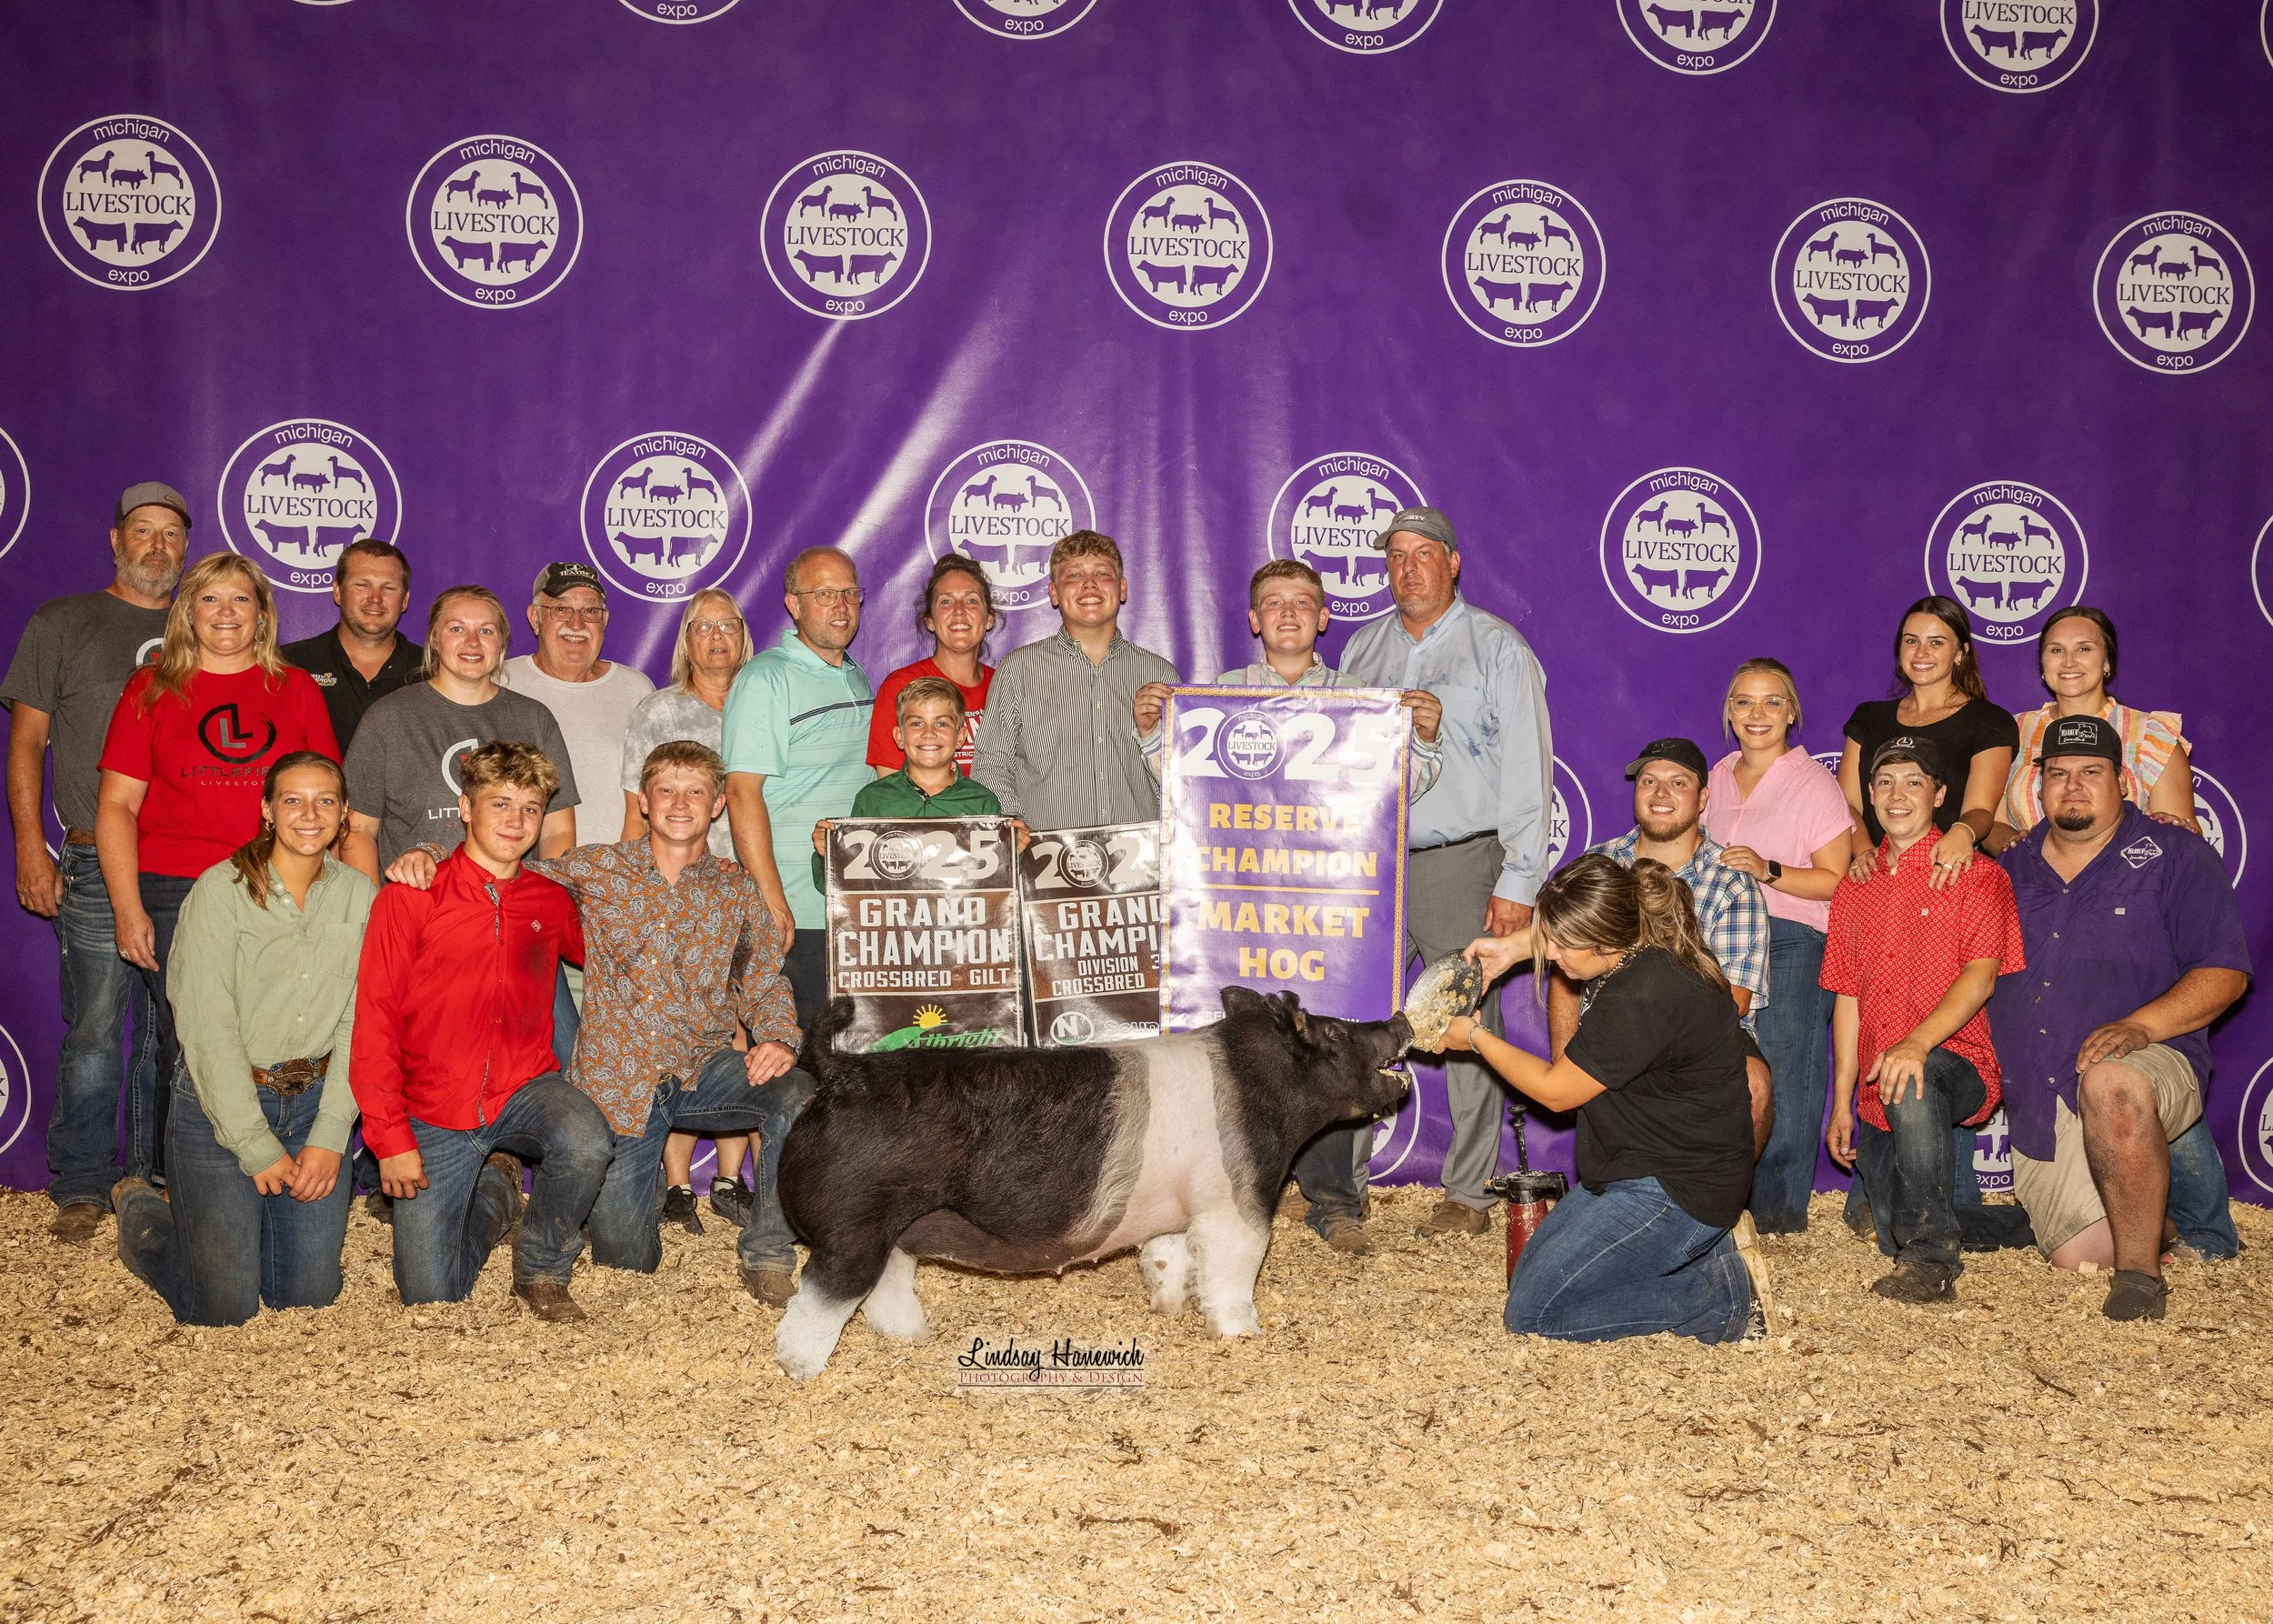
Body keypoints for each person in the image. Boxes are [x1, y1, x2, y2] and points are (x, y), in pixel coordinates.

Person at [396, 741, 816, 1306]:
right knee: (627, 1261)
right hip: (620, 1084)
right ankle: (537, 1206)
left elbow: (763, 980)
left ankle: (768, 1254)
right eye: (666, 789)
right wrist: (426, 851)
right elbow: (504, 863)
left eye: (696, 791)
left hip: (705, 1069)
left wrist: (782, 1039)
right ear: (644, 800)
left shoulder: (737, 889)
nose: (680, 803)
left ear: (717, 805)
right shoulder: (598, 869)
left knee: (798, 1092)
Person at [1130, 557, 1445, 1256]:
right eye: (1274, 603)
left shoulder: (1365, 698)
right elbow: (1175, 778)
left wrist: (1422, 737)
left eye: (1303, 602)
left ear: (1324, 617)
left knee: (1333, 1045)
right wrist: (1154, 727)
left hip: (1329, 905)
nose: (1289, 613)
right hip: (1240, 902)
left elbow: (1407, 788)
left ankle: (1336, 1201)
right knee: (1239, 1046)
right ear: (1254, 619)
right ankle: (1218, 1196)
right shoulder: (1219, 696)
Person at [1439, 855, 1765, 1344]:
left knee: (1533, 1314)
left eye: (1559, 945)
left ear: (1606, 939)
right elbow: (1570, 937)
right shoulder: (1645, 938)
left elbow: (1556, 1092)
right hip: (1645, 1169)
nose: (1550, 955)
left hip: (1673, 1191)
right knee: (1533, 1278)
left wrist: (1477, 1038)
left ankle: (1715, 1297)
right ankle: (1706, 1252)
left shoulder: (1642, 995)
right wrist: (1512, 949)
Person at [1989, 716, 2251, 1318]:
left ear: (2123, 780)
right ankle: (2151, 1214)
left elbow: (2225, 973)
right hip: (2043, 1094)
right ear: (2039, 786)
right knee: (2080, 1255)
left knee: (2112, 1080)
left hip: (2150, 1063)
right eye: (2058, 773)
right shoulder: (2010, 868)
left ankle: (2140, 1280)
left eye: (2090, 772)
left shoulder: (2175, 854)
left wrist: (2142, 1027)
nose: (2072, 785)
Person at [1338, 506, 1554, 1238]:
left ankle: (1468, 1191)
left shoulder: (1497, 649)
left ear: (1453, 563)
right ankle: (1346, 1183)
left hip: (1459, 858)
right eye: (1395, 555)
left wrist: (1518, 879)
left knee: (1462, 1019)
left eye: (1423, 553)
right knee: (1358, 1019)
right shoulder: (1363, 650)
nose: (1407, 567)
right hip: (1370, 861)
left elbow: (1529, 770)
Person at [95, 554, 338, 1191]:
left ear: (262, 614)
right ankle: (178, 1186)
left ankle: (258, 1169)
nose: (226, 613)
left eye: (240, 600)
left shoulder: (298, 690)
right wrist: (127, 907)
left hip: (274, 888)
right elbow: (118, 806)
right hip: (174, 888)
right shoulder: (149, 689)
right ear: (188, 612)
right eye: (210, 599)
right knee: (191, 1044)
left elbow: (323, 802)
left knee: (266, 1037)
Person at [350, 741, 614, 1321]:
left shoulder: (549, 898)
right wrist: (389, 1140)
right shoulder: (411, 896)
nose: (516, 822)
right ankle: (495, 1197)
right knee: (429, 1297)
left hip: (524, 1088)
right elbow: (374, 1021)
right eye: (500, 804)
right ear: (465, 808)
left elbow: (615, 956)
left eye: (530, 808)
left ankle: (542, 1266)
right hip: (432, 1110)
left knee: (588, 1136)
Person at [112, 752, 372, 1324]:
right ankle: (142, 1216)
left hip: (314, 1103)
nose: (310, 814)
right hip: (219, 1104)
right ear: (267, 811)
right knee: (224, 1309)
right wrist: (254, 1144)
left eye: (325, 800)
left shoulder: (361, 895)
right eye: (293, 800)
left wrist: (331, 1133)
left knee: (307, 1300)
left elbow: (364, 1019)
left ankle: (232, 1238)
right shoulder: (220, 892)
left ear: (345, 813)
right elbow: (206, 1030)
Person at [2, 482, 184, 1240]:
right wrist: (27, 846)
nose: (157, 546)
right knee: (96, 1027)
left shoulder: (206, 627)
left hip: (181, 867)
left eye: (172, 535)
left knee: (175, 1028)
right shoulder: (64, 621)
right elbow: (26, 744)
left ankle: (153, 1174)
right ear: (115, 541)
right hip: (84, 859)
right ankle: (80, 1181)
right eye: (142, 531)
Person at [1822, 738, 2024, 1305]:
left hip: (1957, 1063)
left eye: (1913, 781)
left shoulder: (1979, 876)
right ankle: (2019, 1228)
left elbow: (1982, 976)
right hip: (1879, 1081)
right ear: (1869, 794)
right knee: (1892, 1227)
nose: (1897, 794)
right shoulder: (1853, 889)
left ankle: (1933, 1261)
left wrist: (1915, 1044)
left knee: (1916, 1076)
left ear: (1938, 794)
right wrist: (1841, 1103)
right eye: (1884, 782)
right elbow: (1846, 999)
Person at [618, 588, 756, 1229]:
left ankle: (731, 1179)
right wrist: (628, 899)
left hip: (747, 890)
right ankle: (677, 1186)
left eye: (729, 625)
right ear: (686, 639)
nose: (718, 638)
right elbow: (632, 813)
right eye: (703, 627)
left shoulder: (764, 701)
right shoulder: (658, 710)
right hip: (673, 897)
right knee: (681, 1034)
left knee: (740, 1032)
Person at [1702, 659, 1856, 1233]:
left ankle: (1776, 1215)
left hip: (1790, 938)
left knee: (1788, 1074)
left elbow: (1838, 880)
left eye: (1772, 702)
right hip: (1717, 940)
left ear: (1791, 712)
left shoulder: (1813, 782)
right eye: (1744, 702)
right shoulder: (1714, 776)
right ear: (1730, 714)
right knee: (1726, 1073)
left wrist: (1768, 870)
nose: (1758, 714)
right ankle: (1722, 1207)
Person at [1568, 738, 1773, 1154]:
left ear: (1702, 799)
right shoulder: (1598, 864)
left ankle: (1720, 1203)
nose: (1660, 794)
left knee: (1753, 1085)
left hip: (1701, 1036)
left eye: (1677, 783)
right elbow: (1562, 967)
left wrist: (1651, 1043)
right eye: (1648, 781)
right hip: (1608, 1024)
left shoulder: (1732, 882)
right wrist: (1566, 1056)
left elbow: (1734, 999)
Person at [722, 546, 875, 1028]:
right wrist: (770, 899)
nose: (841, 605)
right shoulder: (765, 677)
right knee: (803, 1063)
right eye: (824, 594)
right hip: (798, 911)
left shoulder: (856, 674)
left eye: (850, 593)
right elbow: (741, 791)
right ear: (794, 604)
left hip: (852, 903)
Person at [340, 586, 580, 877]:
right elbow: (358, 830)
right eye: (457, 629)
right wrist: (376, 911)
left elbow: (557, 830)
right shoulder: (388, 718)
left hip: (509, 912)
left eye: (486, 631)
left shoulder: (534, 719)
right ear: (434, 640)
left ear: (502, 643)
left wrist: (540, 901)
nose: (472, 642)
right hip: (418, 911)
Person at [970, 530, 1178, 833]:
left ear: (1122, 589)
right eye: (1074, 575)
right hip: (1047, 858)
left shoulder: (1161, 675)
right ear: (1054, 593)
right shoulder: (1018, 669)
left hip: (1139, 861)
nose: (1089, 584)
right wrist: (1014, 824)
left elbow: (1182, 781)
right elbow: (990, 765)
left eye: (1102, 574)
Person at [1838, 596, 2017, 885]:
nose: (1921, 653)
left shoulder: (1988, 721)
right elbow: (1845, 804)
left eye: (1936, 642)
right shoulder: (1868, 718)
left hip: (1947, 878)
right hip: (1876, 878)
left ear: (1961, 653)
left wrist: (1963, 833)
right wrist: (1866, 853)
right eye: (1911, 641)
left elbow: (1981, 810)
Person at [1988, 606, 2197, 848]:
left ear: (2107, 662)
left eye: (2083, 649)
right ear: (2043, 665)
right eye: (2057, 650)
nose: (2069, 662)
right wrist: (2021, 851)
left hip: (2129, 883)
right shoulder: (2011, 730)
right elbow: (1992, 821)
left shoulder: (2151, 734)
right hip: (2028, 882)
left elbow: (2182, 835)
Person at [503, 562, 653, 848]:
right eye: (561, 609)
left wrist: (626, 874)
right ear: (535, 618)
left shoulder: (637, 691)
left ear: (604, 620)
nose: (576, 623)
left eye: (590, 611)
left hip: (619, 879)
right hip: (527, 879)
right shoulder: (501, 683)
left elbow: (654, 796)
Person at [812, 677, 1004, 888]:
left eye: (941, 723)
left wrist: (1014, 851)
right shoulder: (873, 799)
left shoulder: (983, 801)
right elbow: (847, 888)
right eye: (916, 723)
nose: (929, 733)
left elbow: (998, 886)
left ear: (960, 737)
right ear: (899, 737)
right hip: (892, 920)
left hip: (959, 920)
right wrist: (827, 853)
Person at [280, 539, 422, 751]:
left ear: (404, 600)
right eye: (362, 585)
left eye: (389, 588)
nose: (375, 598)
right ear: (337, 592)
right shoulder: (288, 664)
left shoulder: (431, 670)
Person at [868, 554, 996, 775]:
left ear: (988, 619)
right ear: (930, 621)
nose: (959, 610)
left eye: (972, 600)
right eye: (946, 601)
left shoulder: (1005, 685)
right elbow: (889, 790)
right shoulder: (902, 685)